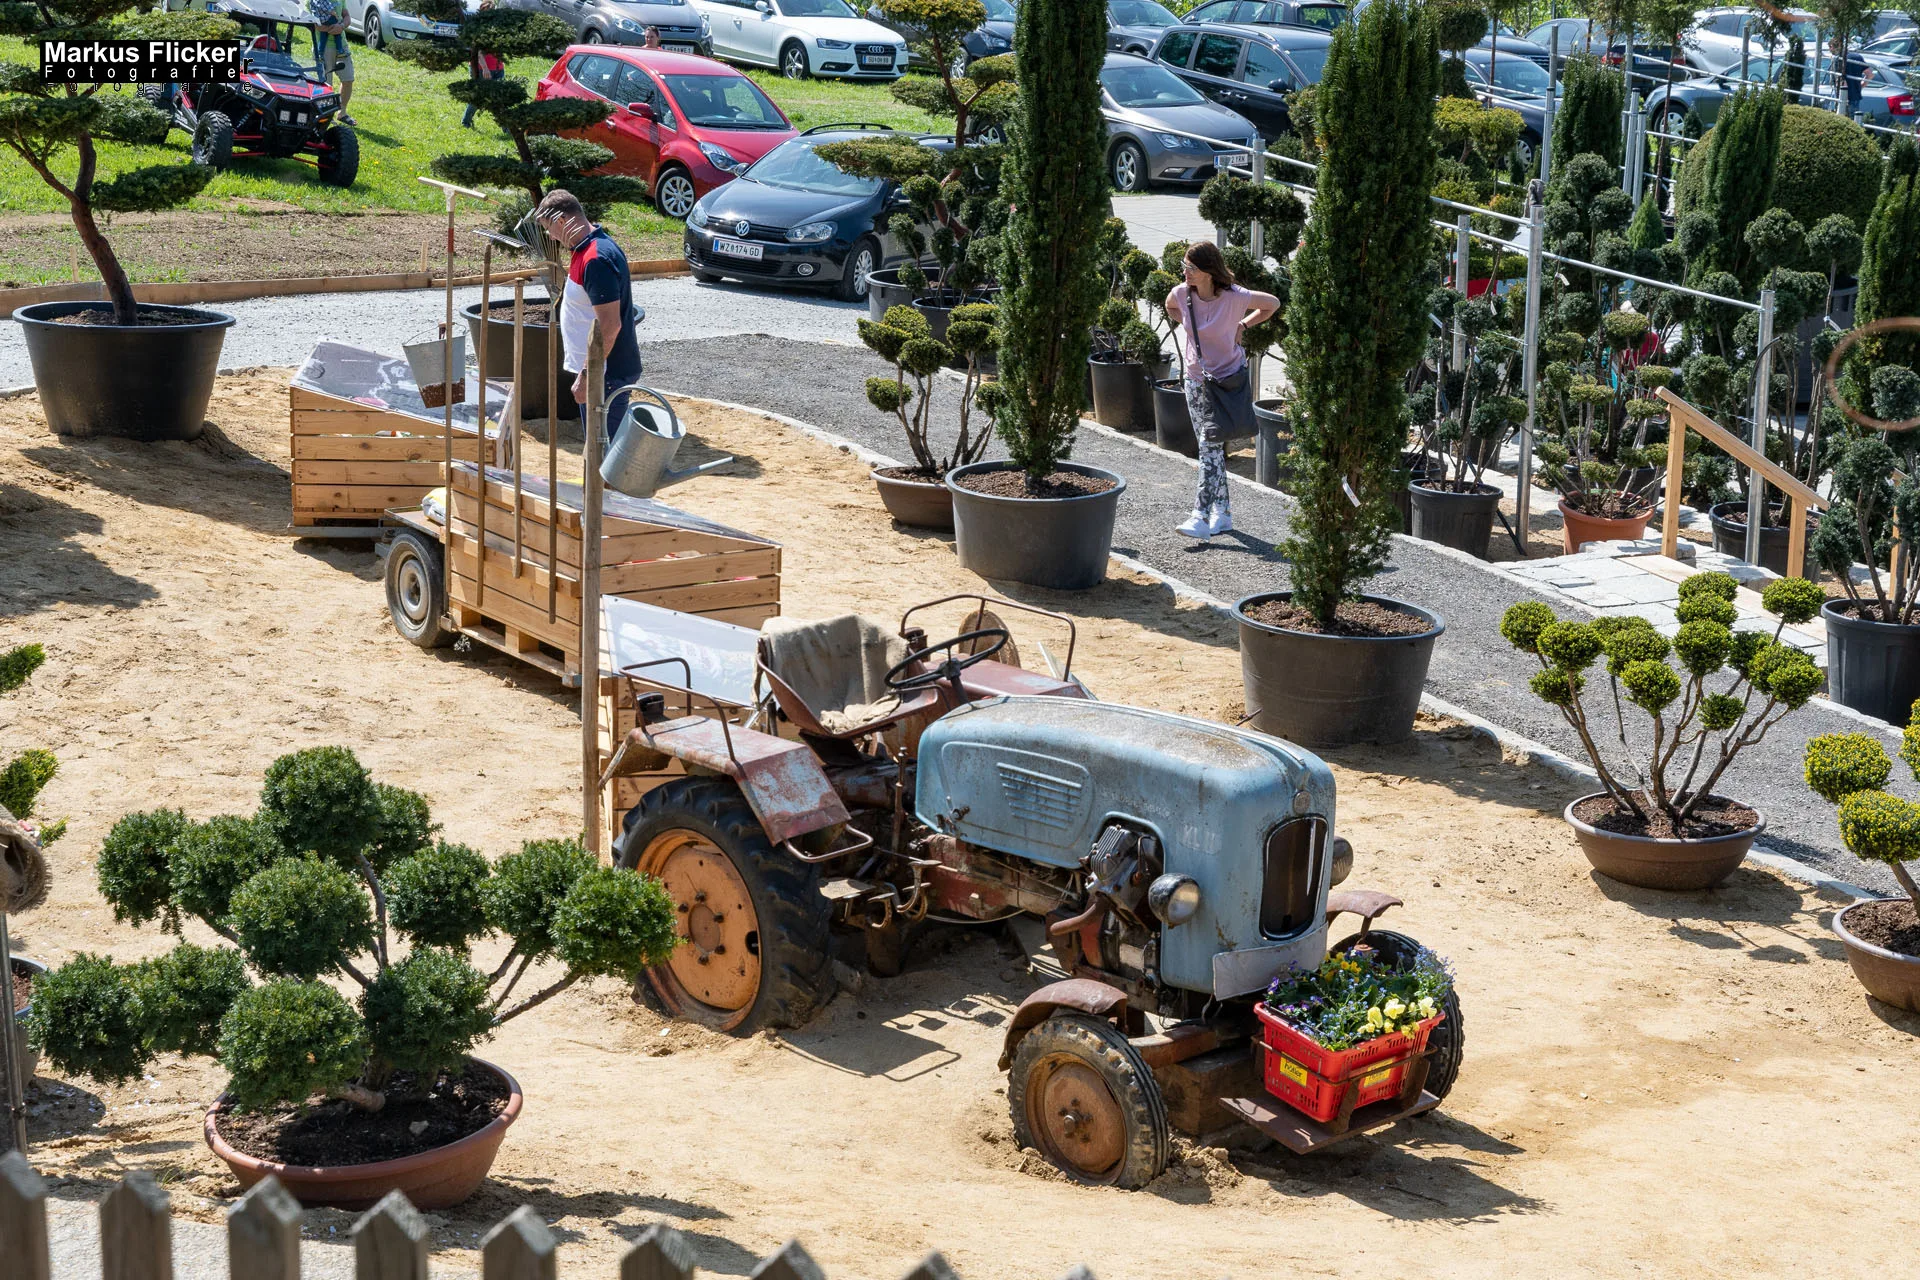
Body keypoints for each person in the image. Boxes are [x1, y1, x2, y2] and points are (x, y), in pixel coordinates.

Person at [1164, 240, 1278, 540]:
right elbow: (1170, 307)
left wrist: (1243, 325)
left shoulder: (1234, 297)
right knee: (1210, 446)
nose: (1185, 273)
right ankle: (1222, 514)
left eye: (1191, 268)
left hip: (1227, 379)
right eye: (1184, 267)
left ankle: (1200, 515)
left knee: (1209, 445)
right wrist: (1189, 325)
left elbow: (1272, 304)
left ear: (1209, 271)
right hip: (1195, 380)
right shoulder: (1181, 294)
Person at [535, 189, 644, 441]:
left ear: (562, 221)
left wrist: (588, 374)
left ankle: (606, 483)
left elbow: (610, 325)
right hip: (600, 372)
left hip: (605, 374)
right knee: (598, 451)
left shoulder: (596, 259)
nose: (551, 237)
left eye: (550, 228)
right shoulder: (585, 249)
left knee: (604, 455)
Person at [308, 0, 356, 125]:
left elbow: (346, 16)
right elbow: (313, 23)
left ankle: (342, 113)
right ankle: (324, 116)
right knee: (325, 84)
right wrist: (331, 28)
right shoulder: (312, 1)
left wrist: (341, 26)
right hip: (323, 49)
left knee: (348, 79)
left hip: (342, 47)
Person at [464, 2, 505, 130]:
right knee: (480, 97)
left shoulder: (498, 28)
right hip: (482, 69)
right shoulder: (478, 29)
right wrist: (485, 68)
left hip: (498, 69)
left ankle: (507, 128)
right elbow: (477, 52)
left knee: (500, 98)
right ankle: (466, 122)